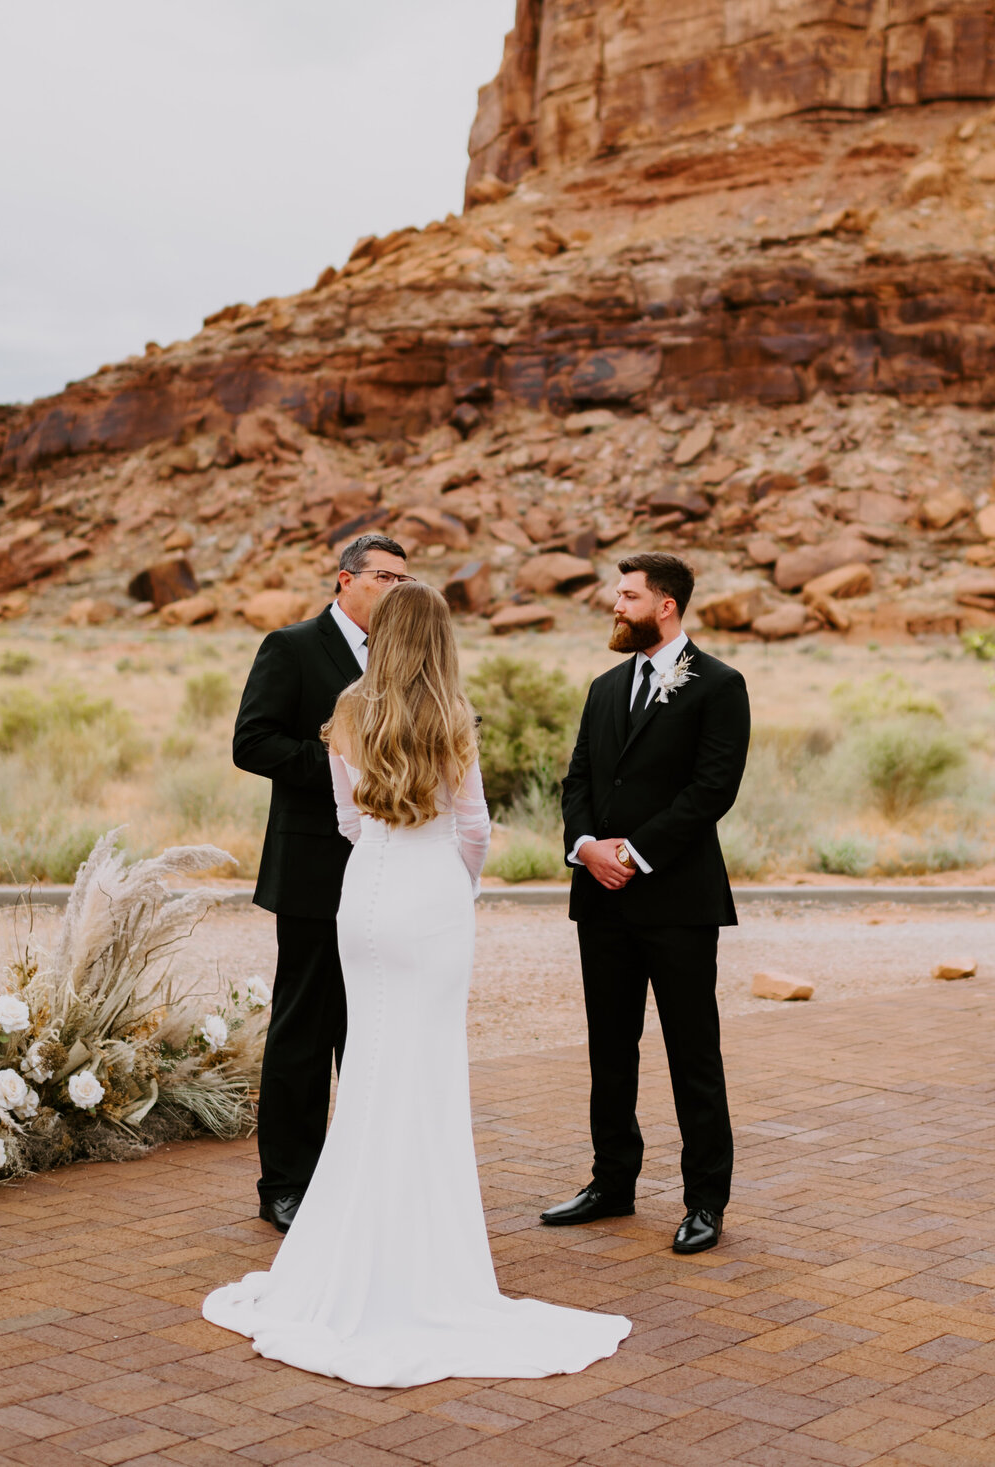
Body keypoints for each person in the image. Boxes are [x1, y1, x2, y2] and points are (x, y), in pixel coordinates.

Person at [205, 583, 631, 1385]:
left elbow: (347, 818)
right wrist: (451, 883)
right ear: (439, 640)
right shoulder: (452, 717)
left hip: (361, 895)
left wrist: (389, 861)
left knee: (368, 1063)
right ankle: (419, 1257)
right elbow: (473, 827)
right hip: (428, 898)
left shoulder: (349, 709)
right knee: (426, 1072)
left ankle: (344, 1244)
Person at [543, 552, 750, 1256]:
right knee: (610, 1048)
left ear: (666, 605)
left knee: (694, 1051)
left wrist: (634, 851)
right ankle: (612, 1182)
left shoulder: (719, 684)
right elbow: (576, 780)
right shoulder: (604, 687)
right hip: (600, 900)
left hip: (678, 900)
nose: (615, 605)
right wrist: (586, 845)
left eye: (627, 595)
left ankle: (706, 1200)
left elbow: (712, 789)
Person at [232, 531, 411, 1233]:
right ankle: (285, 1183)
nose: (398, 588)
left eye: (405, 578)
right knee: (303, 1027)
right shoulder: (292, 646)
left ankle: (359, 1176)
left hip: (386, 866)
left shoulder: (403, 655)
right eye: (385, 577)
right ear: (346, 580)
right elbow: (253, 740)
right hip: (311, 866)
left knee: (370, 1026)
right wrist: (344, 768)